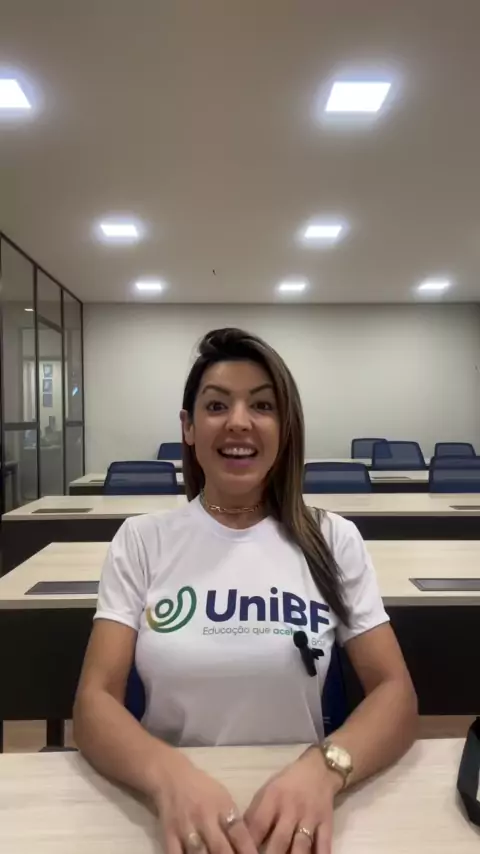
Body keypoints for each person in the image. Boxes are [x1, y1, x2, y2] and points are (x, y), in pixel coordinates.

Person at [74, 327, 417, 854]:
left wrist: (326, 768)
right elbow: (94, 700)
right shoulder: (142, 541)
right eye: (216, 405)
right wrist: (166, 775)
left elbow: (395, 692)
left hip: (300, 809)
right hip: (169, 810)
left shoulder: (332, 538)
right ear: (189, 428)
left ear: (285, 427)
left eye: (262, 405)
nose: (239, 421)